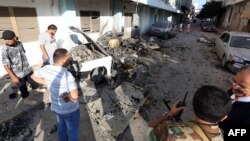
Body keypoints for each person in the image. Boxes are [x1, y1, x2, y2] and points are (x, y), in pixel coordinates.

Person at [148, 85, 232, 141]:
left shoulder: (169, 132)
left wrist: (169, 114)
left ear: (193, 104)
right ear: (224, 117)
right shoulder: (222, 137)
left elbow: (148, 131)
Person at [31, 48, 80, 141]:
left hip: (56, 107)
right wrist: (68, 96)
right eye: (68, 58)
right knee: (72, 130)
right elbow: (74, 96)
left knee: (61, 126)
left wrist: (48, 83)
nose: (70, 60)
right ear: (63, 61)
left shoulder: (46, 68)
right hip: (69, 109)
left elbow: (33, 76)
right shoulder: (67, 75)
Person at [1, 30, 39, 104]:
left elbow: (23, 55)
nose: (6, 41)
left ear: (14, 38)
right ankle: (26, 100)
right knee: (23, 87)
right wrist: (13, 77)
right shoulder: (5, 49)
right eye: (5, 39)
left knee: (34, 82)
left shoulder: (19, 43)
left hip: (27, 69)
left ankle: (36, 88)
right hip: (17, 73)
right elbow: (5, 64)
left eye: (8, 38)